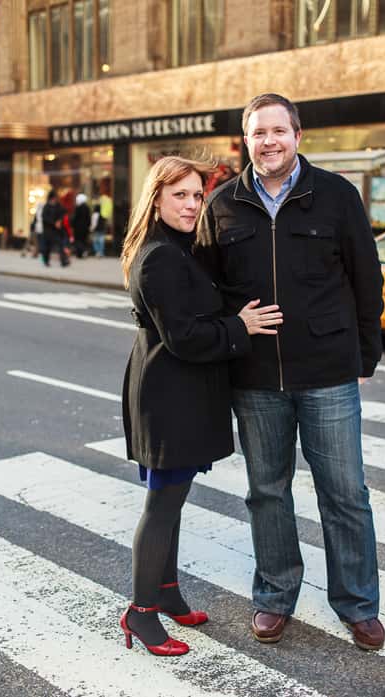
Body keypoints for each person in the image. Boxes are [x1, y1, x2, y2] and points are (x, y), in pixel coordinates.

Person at [199, 93, 385, 649]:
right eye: (258, 133)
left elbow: (366, 278)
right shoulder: (223, 204)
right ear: (246, 140)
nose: (269, 142)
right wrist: (232, 328)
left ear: (297, 135)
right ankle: (275, 596)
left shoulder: (335, 196)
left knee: (345, 492)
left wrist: (365, 355)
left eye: (278, 131)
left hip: (327, 372)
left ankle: (357, 604)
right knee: (267, 492)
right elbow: (206, 289)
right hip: (255, 379)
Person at [119, 156, 283, 657]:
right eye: (180, 196)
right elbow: (185, 337)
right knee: (162, 504)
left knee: (171, 500)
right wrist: (242, 328)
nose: (192, 205)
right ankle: (141, 612)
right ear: (156, 200)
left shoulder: (177, 247)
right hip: (171, 397)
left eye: (197, 195)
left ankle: (166, 594)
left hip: (174, 391)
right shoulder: (160, 257)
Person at [40, 188, 68, 267]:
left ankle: (63, 261)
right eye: (53, 198)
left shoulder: (58, 206)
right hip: (48, 231)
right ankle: (46, 261)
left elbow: (63, 213)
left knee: (60, 245)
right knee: (47, 247)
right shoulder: (46, 207)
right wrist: (53, 223)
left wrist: (59, 221)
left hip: (56, 231)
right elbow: (45, 218)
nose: (54, 199)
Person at [71, 193, 92, 258]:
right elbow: (88, 218)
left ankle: (80, 253)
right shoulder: (87, 208)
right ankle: (82, 252)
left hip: (78, 228)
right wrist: (88, 226)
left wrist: (72, 224)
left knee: (78, 240)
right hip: (85, 228)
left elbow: (75, 218)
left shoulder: (78, 208)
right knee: (83, 240)